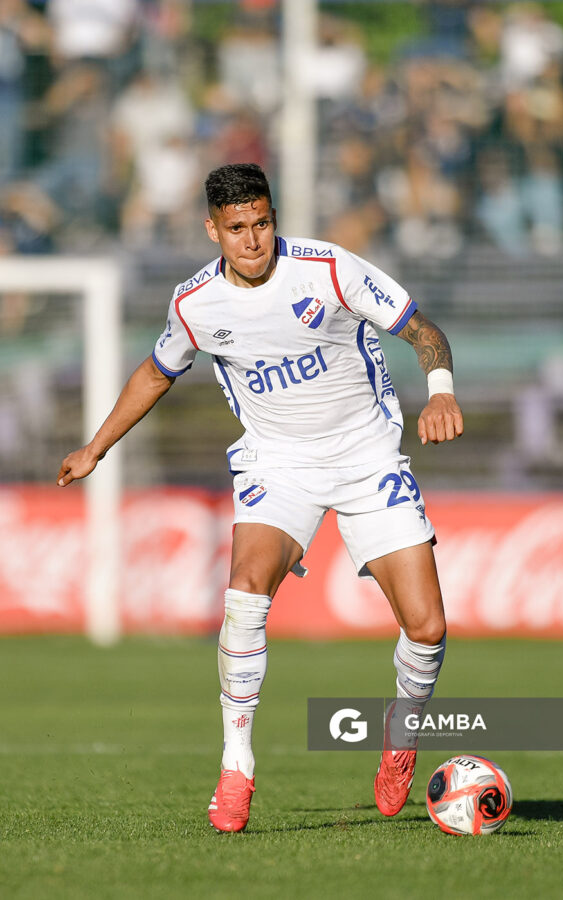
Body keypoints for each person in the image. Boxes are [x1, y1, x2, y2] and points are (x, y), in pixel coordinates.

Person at [57, 163, 463, 833]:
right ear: (212, 230)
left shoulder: (328, 268)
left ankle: (401, 735)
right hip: (278, 463)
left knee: (427, 628)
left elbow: (423, 330)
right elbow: (156, 373)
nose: (253, 240)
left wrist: (440, 391)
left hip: (366, 456)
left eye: (263, 223)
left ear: (275, 218)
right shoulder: (195, 304)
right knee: (245, 591)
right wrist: (95, 447)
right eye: (237, 228)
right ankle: (236, 764)